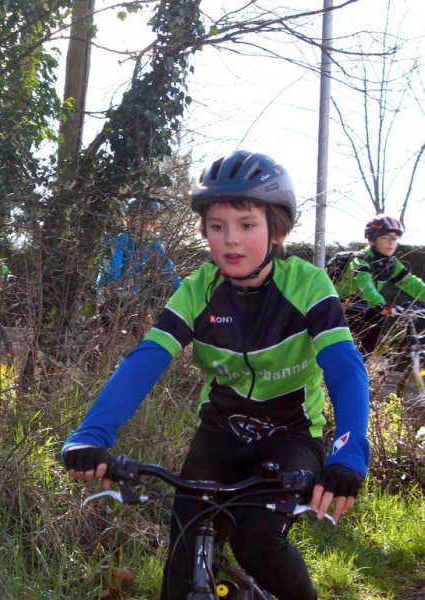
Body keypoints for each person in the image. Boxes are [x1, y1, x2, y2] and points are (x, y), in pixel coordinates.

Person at [63, 150, 370, 600]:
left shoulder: (308, 284)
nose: (231, 241)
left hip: (290, 433)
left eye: (247, 225)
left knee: (257, 539)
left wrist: (348, 454)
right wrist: (92, 434)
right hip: (220, 431)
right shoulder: (198, 289)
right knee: (186, 547)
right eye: (217, 226)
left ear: (276, 229)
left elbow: (345, 368)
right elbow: (146, 359)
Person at [333, 215, 425, 357]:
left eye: (394, 238)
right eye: (385, 237)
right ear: (373, 239)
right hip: (342, 307)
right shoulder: (361, 259)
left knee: (376, 322)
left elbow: (411, 283)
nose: (391, 243)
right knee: (376, 319)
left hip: (368, 306)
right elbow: (365, 284)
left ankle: (366, 361)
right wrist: (380, 304)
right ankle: (361, 366)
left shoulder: (391, 263)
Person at [96, 197, 182, 298]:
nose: (143, 224)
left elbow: (167, 269)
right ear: (128, 220)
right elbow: (112, 269)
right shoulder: (120, 238)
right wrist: (115, 289)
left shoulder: (153, 244)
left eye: (149, 220)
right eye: (138, 218)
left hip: (132, 298)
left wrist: (183, 292)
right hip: (109, 298)